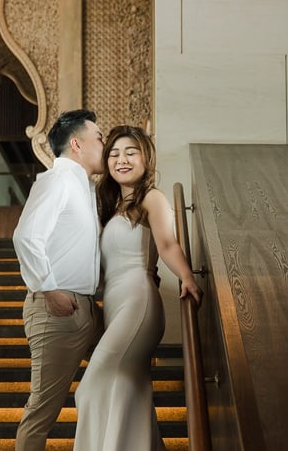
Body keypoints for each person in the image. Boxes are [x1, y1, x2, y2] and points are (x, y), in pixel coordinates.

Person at [73, 125, 203, 451]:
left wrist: (187, 277)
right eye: (114, 154)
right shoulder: (110, 205)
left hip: (138, 299)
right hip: (114, 305)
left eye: (131, 152)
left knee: (89, 387)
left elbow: (169, 243)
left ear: (146, 156)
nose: (122, 159)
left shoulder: (153, 197)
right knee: (128, 391)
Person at [12, 109, 106, 451]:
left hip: (86, 309)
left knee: (120, 375)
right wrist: (49, 288)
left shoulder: (85, 188)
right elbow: (25, 236)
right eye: (99, 138)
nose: (105, 144)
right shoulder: (57, 180)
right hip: (58, 310)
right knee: (41, 413)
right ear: (77, 144)